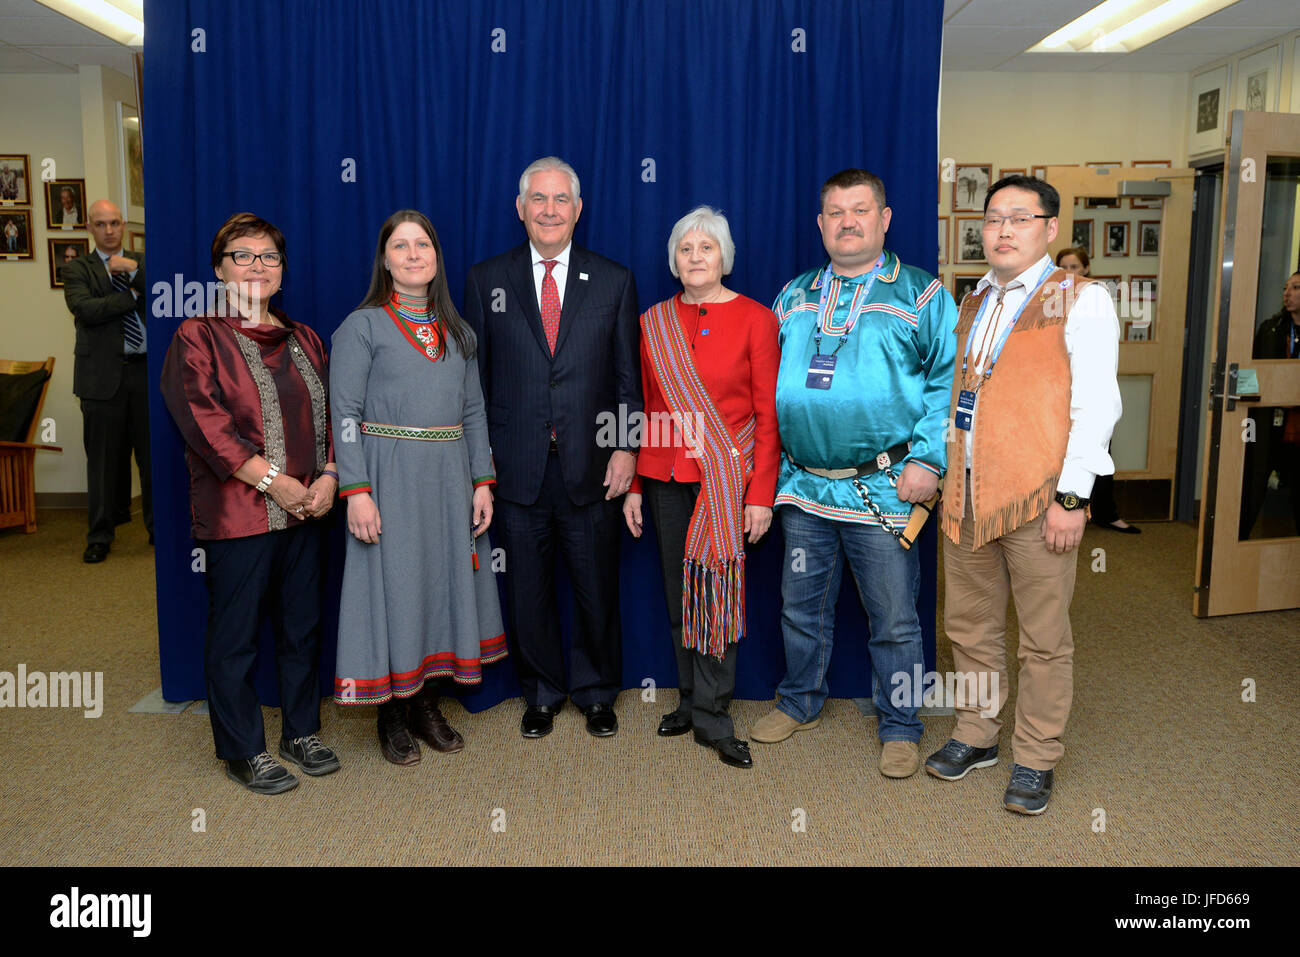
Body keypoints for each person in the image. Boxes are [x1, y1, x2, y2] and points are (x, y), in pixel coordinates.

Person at [752, 168, 958, 779]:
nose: (848, 221)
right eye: (836, 212)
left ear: (884, 218)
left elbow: (946, 385)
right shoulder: (793, 296)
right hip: (805, 487)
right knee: (799, 606)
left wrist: (928, 460)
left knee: (894, 617)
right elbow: (768, 386)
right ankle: (798, 700)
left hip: (887, 487)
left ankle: (900, 725)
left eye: (860, 210)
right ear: (820, 224)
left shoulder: (922, 295)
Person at [927, 175, 1121, 815]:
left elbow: (1097, 405)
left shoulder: (1081, 299)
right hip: (968, 498)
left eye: (1019, 217)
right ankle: (978, 734)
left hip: (1040, 500)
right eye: (993, 220)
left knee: (1043, 638)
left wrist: (1073, 497)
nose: (1003, 230)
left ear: (1049, 229)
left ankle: (1036, 756)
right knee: (969, 629)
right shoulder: (974, 299)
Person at [161, 212, 340, 795]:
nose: (256, 266)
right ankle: (243, 749)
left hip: (309, 510)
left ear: (283, 271)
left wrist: (331, 476)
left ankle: (301, 732)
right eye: (243, 255)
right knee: (235, 635)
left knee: (301, 628)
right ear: (219, 269)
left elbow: (333, 420)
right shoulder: (197, 336)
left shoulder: (307, 338)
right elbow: (206, 425)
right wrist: (275, 483)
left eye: (268, 256)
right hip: (240, 515)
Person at [464, 156, 641, 740]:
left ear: (578, 209)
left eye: (560, 199)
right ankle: (539, 691)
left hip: (593, 465)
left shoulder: (613, 279)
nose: (548, 209)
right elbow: (475, 384)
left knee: (597, 588)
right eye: (537, 199)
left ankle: (596, 692)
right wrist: (479, 468)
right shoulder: (487, 280)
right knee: (528, 590)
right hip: (516, 469)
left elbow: (626, 378)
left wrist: (627, 449)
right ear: (520, 209)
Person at [331, 210, 505, 766]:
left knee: (439, 583)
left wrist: (482, 482)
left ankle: (428, 700)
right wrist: (356, 489)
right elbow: (345, 413)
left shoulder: (460, 332)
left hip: (449, 478)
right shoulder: (361, 327)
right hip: (387, 476)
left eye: (422, 245)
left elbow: (474, 412)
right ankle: (391, 712)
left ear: (436, 257)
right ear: (384, 259)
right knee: (395, 586)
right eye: (400, 246)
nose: (412, 254)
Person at [622, 207, 779, 769]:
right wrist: (637, 482)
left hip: (726, 480)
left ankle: (714, 713)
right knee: (676, 593)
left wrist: (760, 494)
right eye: (685, 250)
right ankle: (690, 699)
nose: (695, 258)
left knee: (714, 593)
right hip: (665, 475)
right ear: (674, 260)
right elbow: (644, 408)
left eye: (705, 249)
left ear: (724, 257)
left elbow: (768, 415)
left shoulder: (758, 320)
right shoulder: (651, 322)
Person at [62, 200, 152, 562]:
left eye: (115, 222)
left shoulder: (142, 261)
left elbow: (162, 291)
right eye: (101, 224)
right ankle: (99, 536)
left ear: (123, 224)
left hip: (145, 372)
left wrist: (134, 271)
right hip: (100, 380)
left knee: (151, 459)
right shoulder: (76, 268)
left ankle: (158, 530)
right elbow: (86, 310)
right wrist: (132, 295)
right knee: (101, 463)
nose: (110, 230)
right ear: (90, 227)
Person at [1056, 246, 1138, 534]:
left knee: (1097, 453)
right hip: (1056, 400)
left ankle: (1105, 512)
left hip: (1088, 396)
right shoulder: (1048, 304)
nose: (1070, 273)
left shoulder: (1095, 301)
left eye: (1075, 267)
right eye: (1064, 267)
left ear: (1086, 269)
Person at [1242, 270, 1300, 537]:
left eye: (1296, 288)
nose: (1287, 294)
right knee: (1254, 483)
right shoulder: (1270, 329)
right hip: (1269, 421)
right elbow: (1249, 373)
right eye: (1286, 288)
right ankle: (1237, 543)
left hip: (1296, 424)